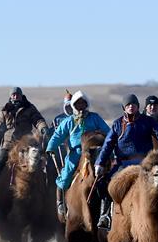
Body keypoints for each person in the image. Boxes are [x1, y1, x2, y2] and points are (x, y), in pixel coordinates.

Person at [94, 94, 158, 229]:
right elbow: (108, 145)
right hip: (123, 165)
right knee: (105, 182)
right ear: (124, 108)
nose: (131, 107)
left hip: (145, 164)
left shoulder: (147, 121)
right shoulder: (117, 124)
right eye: (128, 105)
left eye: (133, 104)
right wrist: (99, 163)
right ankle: (105, 214)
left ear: (138, 107)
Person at [45, 90, 110, 219]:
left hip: (94, 152)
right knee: (66, 174)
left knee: (106, 175)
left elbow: (108, 132)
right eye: (78, 103)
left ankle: (107, 208)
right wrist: (50, 147)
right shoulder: (69, 121)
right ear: (74, 105)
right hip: (77, 153)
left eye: (83, 103)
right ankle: (61, 202)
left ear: (86, 104)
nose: (81, 105)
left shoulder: (94, 117)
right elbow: (58, 135)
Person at [0, 87, 49, 207]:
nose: (15, 97)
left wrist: (43, 127)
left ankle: (44, 188)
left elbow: (38, 119)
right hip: (8, 143)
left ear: (21, 95)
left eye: (17, 95)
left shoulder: (29, 108)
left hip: (25, 143)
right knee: (0, 162)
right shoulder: (5, 110)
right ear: (10, 96)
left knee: (37, 162)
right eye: (13, 95)